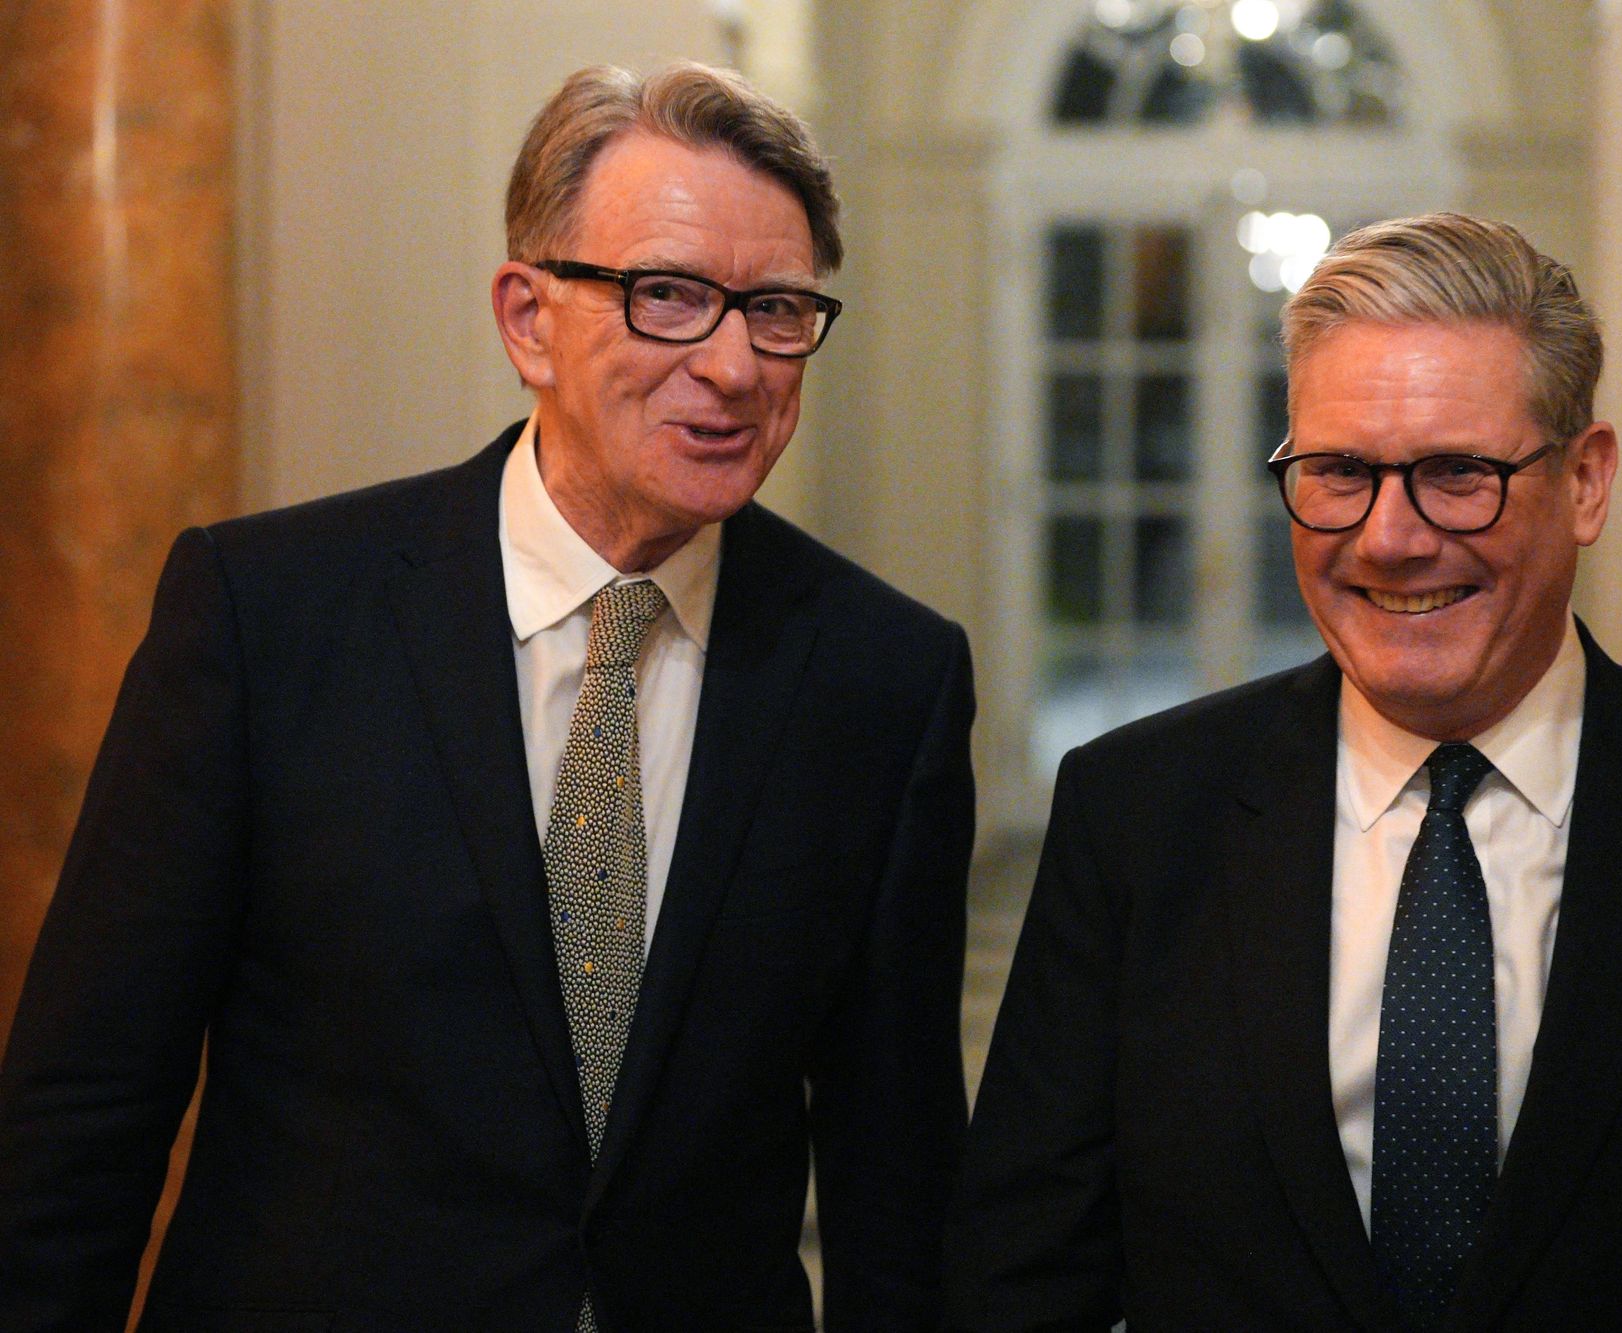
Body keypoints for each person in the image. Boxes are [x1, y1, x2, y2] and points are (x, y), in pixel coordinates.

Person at [0, 63, 973, 1331]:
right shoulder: (268, 616)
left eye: (777, 309)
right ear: (528, 318)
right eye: (667, 296)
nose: (734, 363)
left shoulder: (881, 679)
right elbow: (87, 1106)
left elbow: (895, 1177)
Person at [944, 213, 1622, 1331]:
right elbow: (1020, 1285)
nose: (1387, 538)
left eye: (1455, 473)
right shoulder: (1135, 816)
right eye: (1336, 473)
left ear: (1585, 481)